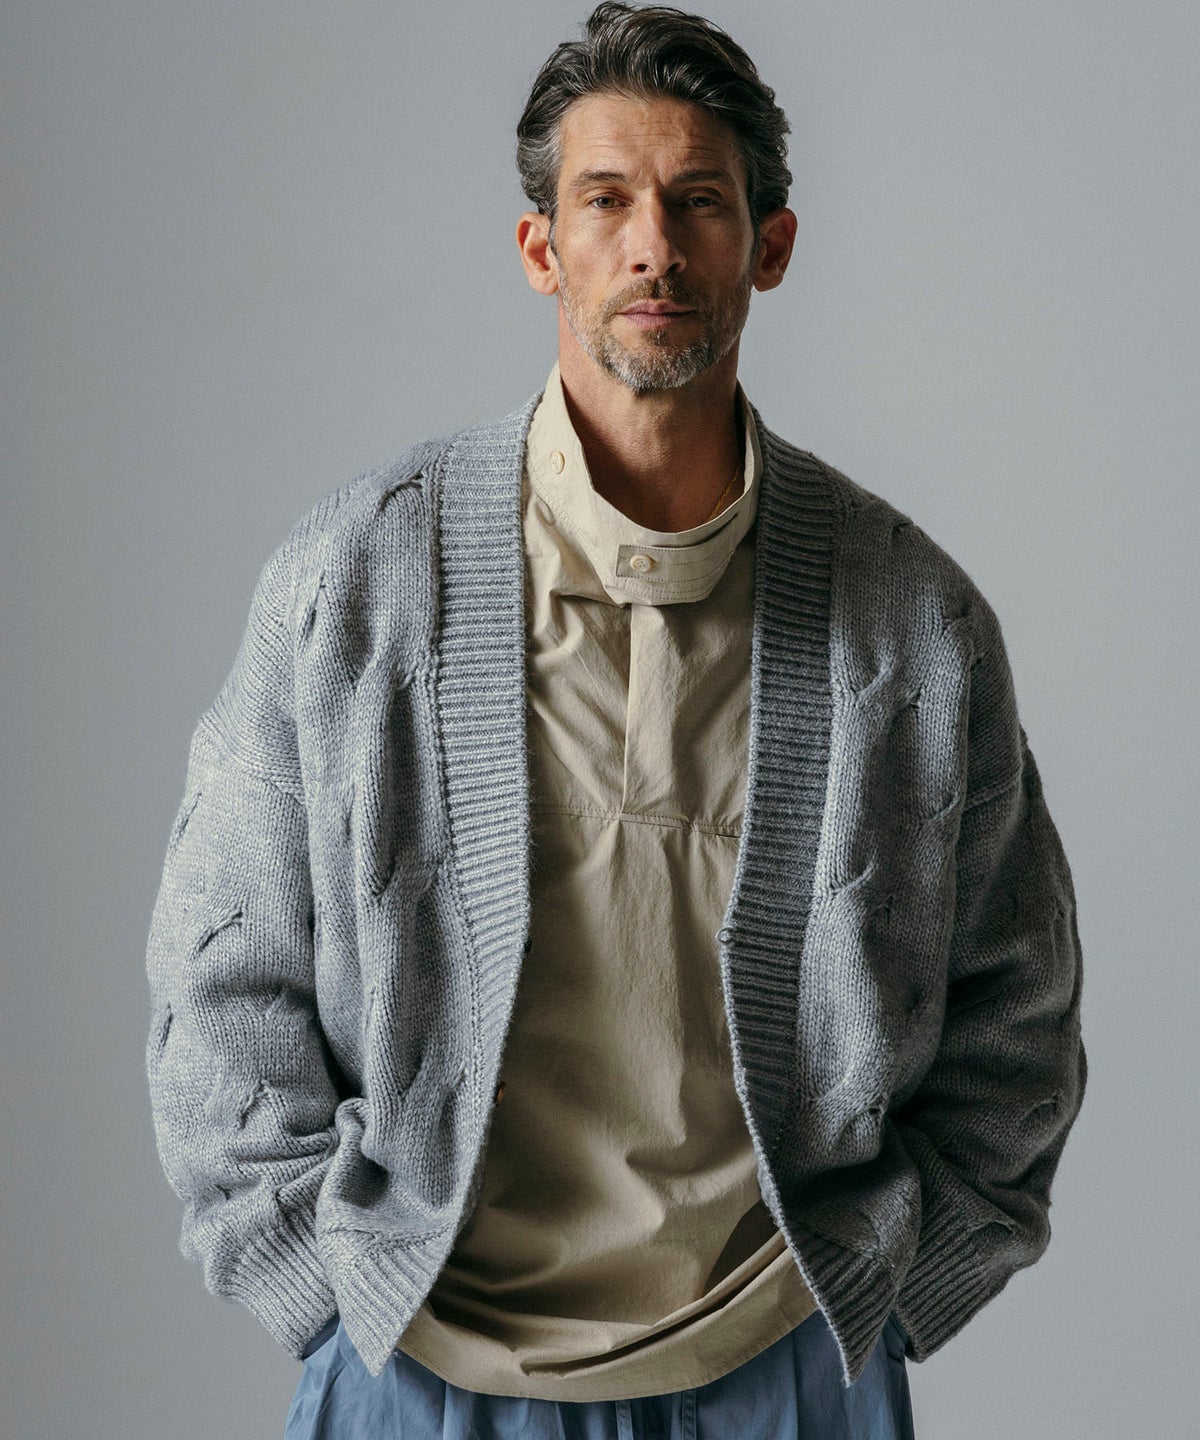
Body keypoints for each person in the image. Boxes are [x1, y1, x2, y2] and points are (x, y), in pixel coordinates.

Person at [144, 5, 1087, 1436]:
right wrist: (322, 1294)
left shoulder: (912, 624)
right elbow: (221, 976)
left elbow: (1021, 1003)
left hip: (786, 1363)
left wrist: (892, 1289)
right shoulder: (355, 585)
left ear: (769, 246)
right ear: (543, 250)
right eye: (607, 202)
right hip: (424, 1369)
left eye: (700, 201)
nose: (655, 246)